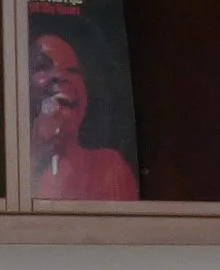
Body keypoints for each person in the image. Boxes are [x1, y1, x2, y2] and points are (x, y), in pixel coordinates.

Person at [29, 29, 138, 201]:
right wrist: (39, 149)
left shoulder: (110, 170)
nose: (60, 75)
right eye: (42, 67)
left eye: (72, 70)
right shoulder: (10, 169)